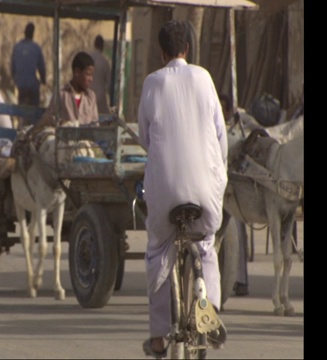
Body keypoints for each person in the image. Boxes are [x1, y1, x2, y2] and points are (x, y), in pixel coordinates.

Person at [138, 20, 228, 357]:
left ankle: (160, 335)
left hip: (166, 193)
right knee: (205, 244)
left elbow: (146, 138)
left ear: (162, 53)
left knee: (159, 250)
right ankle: (209, 308)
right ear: (187, 49)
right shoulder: (204, 78)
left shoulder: (152, 83)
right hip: (206, 192)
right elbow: (220, 139)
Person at [219, 94, 250, 297]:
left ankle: (240, 280)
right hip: (217, 186)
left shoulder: (236, 131)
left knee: (237, 228)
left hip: (234, 189)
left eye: (224, 110)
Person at [26, 51, 98, 135]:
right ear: (77, 72)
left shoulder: (91, 97)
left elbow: (95, 124)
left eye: (91, 75)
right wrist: (60, 123)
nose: (91, 79)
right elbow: (48, 118)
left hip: (86, 144)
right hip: (65, 144)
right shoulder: (61, 94)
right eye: (88, 74)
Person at [11, 22, 46, 108]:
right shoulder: (36, 48)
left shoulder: (17, 47)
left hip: (21, 85)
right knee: (35, 110)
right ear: (33, 34)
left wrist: (15, 79)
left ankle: (21, 119)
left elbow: (12, 68)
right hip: (32, 86)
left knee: (21, 108)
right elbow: (41, 67)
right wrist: (43, 80)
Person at [88, 35, 111, 114]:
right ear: (102, 46)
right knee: (103, 121)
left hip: (87, 97)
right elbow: (109, 84)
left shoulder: (88, 57)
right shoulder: (104, 61)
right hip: (100, 98)